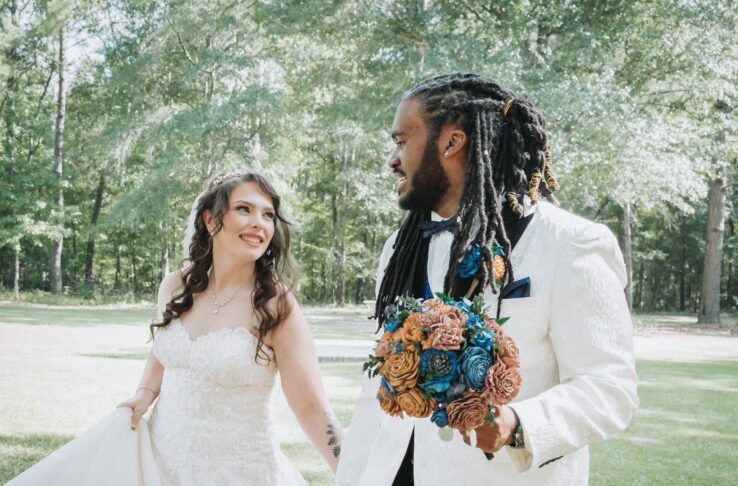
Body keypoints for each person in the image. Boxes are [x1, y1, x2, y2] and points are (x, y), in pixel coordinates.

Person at [336, 72, 639, 485]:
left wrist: (518, 425)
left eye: (402, 141)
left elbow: (610, 388)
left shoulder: (571, 244)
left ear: (452, 142)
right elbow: (379, 393)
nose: (393, 160)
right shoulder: (397, 249)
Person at [9, 169, 342, 486]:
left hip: (236, 472)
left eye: (268, 215)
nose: (259, 223)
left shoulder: (274, 305)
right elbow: (168, 349)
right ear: (211, 220)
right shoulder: (176, 287)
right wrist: (144, 394)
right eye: (244, 209)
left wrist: (354, 473)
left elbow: (312, 406)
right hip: (158, 459)